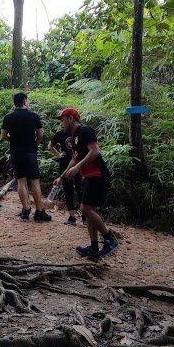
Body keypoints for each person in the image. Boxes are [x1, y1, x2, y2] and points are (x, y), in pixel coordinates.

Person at [53, 108, 118, 258]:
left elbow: (95, 151)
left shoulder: (85, 131)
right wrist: (61, 178)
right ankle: (94, 247)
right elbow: (74, 159)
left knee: (85, 209)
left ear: (70, 118)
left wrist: (78, 167)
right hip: (87, 177)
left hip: (97, 175)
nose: (61, 123)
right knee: (88, 211)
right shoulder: (73, 137)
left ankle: (109, 239)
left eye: (62, 120)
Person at [1, 92, 51, 221]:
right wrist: (34, 145)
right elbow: (40, 135)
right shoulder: (34, 116)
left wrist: (13, 140)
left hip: (15, 152)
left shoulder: (8, 117)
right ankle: (39, 211)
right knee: (34, 180)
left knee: (21, 181)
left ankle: (25, 209)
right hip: (30, 152)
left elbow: (3, 136)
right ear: (24, 102)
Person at [47, 128, 86, 226]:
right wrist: (58, 155)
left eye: (63, 121)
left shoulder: (78, 133)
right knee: (68, 189)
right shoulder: (60, 133)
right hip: (65, 163)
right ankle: (72, 216)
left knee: (80, 188)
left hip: (77, 163)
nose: (61, 124)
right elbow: (50, 146)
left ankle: (85, 216)